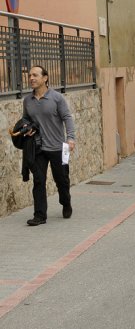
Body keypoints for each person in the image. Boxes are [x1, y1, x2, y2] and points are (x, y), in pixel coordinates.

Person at [23, 65, 76, 226]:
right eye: (30, 75)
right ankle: (39, 215)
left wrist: (71, 138)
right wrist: (27, 128)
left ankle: (66, 203)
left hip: (58, 148)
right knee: (38, 181)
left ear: (45, 78)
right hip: (38, 148)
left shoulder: (56, 98)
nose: (31, 78)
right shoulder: (27, 100)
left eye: (35, 75)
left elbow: (67, 117)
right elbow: (25, 119)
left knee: (62, 181)